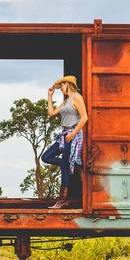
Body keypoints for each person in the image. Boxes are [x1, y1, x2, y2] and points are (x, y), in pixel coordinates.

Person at [41, 75, 88, 208]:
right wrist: (50, 96)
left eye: (62, 85)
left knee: (65, 166)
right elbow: (51, 113)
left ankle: (63, 199)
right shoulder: (66, 101)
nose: (61, 88)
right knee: (46, 157)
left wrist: (73, 133)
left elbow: (84, 118)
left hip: (73, 134)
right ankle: (69, 164)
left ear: (68, 84)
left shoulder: (77, 97)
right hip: (63, 134)